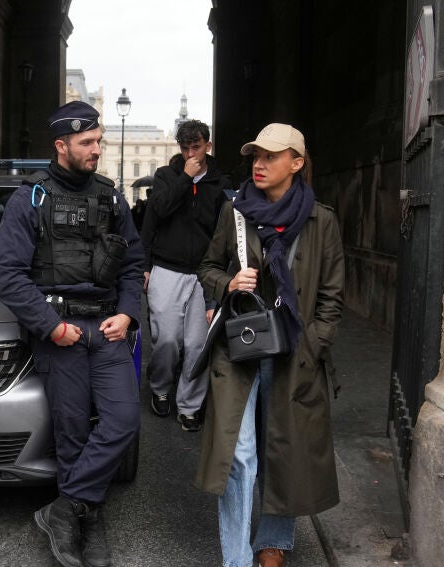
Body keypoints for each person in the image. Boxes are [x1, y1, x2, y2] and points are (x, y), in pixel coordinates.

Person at [0, 101, 143, 567]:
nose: (97, 149)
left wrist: (128, 314)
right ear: (61, 146)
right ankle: (87, 520)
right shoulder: (29, 199)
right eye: (88, 143)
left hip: (107, 327)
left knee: (122, 422)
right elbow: (11, 276)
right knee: (73, 431)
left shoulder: (111, 198)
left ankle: (65, 509)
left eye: (99, 141)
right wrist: (51, 327)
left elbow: (134, 264)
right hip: (61, 330)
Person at [195, 123, 344, 567]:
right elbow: (206, 267)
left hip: (295, 353)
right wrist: (228, 282)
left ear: (296, 164)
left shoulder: (322, 220)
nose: (258, 164)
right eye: (255, 157)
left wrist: (313, 345)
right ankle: (237, 558)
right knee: (239, 456)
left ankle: (274, 541)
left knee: (284, 447)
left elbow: (332, 297)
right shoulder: (234, 213)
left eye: (270, 157)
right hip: (240, 348)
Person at [140, 119, 229, 431]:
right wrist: (145, 265)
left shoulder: (219, 184)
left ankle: (189, 405)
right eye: (185, 147)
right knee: (166, 339)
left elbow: (223, 233)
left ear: (208, 145)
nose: (191, 153)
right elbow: (156, 215)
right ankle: (161, 387)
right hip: (167, 267)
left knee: (196, 344)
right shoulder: (166, 176)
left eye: (197, 146)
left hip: (204, 273)